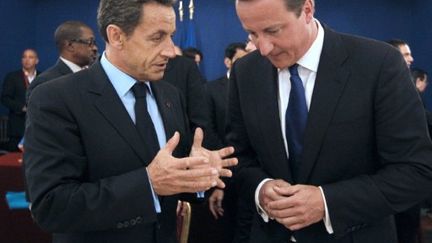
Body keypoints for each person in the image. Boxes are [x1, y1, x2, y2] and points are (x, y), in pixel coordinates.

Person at [24, 0, 237, 242]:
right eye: (157, 37)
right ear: (116, 36)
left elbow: (169, 180)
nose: (170, 50)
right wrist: (148, 185)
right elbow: (51, 206)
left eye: (171, 36)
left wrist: (195, 172)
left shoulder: (170, 95)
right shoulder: (55, 98)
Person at [227, 0, 432, 242]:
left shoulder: (378, 64)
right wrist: (261, 189)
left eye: (273, 31)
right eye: (251, 33)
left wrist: (326, 202)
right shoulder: (245, 73)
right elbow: (239, 158)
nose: (263, 48)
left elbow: (416, 170)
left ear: (307, 9)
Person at [204, 42, 249, 243]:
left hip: (254, 177)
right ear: (227, 61)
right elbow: (209, 132)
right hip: (225, 175)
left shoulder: (259, 87)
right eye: (240, 60)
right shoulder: (211, 89)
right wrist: (221, 181)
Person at [27, 20, 98, 101]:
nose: (95, 48)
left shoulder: (94, 77)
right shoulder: (44, 83)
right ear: (70, 46)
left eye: (94, 43)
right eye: (90, 43)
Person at [1, 49, 39, 151]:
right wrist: (22, 107)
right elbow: (5, 98)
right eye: (24, 57)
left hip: (37, 127)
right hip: (17, 127)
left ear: (37, 61)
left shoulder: (42, 77)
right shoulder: (12, 77)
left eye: (30, 57)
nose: (27, 60)